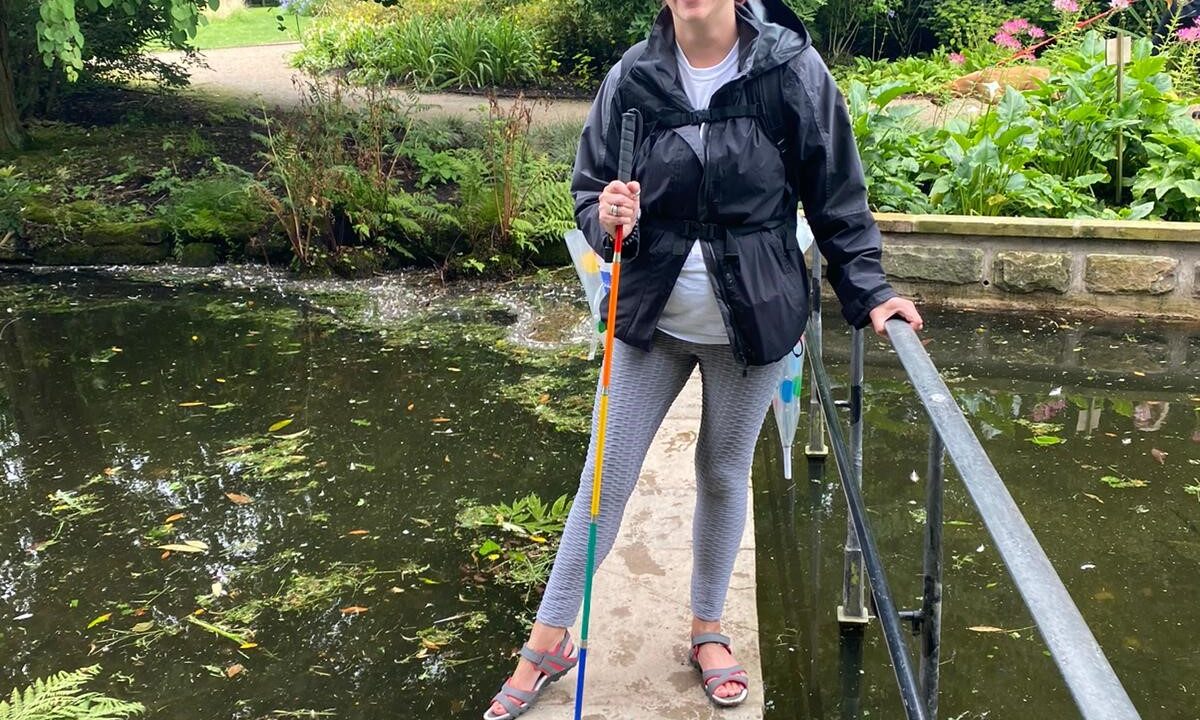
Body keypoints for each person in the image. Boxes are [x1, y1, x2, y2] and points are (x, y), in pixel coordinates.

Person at [484, 0, 922, 716]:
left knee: (721, 474)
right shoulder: (632, 76)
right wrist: (607, 216)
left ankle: (708, 628)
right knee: (605, 478)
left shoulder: (792, 72)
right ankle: (549, 639)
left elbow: (837, 195)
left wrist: (870, 291)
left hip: (752, 323)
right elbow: (589, 192)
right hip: (650, 318)